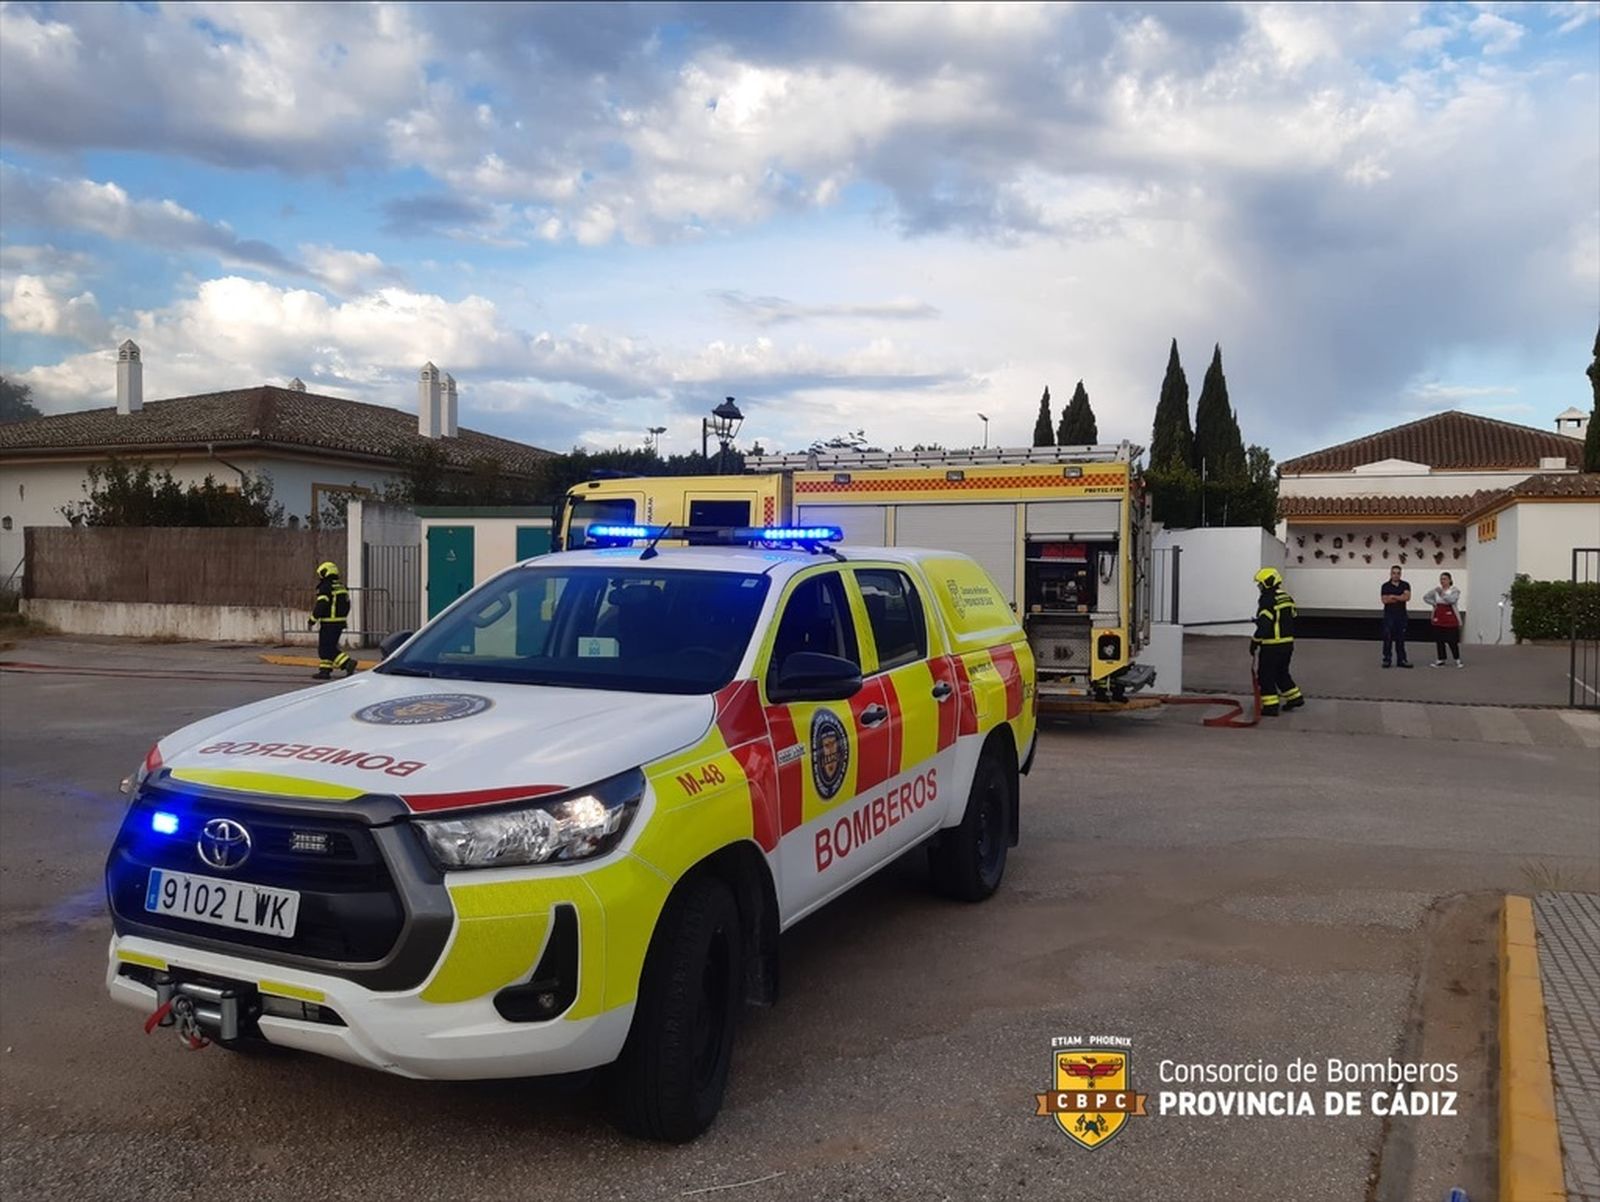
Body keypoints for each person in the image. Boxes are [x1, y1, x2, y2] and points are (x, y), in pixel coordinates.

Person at [1250, 567, 1303, 716]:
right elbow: (1291, 616)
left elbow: (1265, 624)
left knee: (1265, 675)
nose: (1259, 587)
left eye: (1260, 584)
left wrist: (1255, 641)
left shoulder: (1267, 600)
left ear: (1267, 583)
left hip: (1272, 645)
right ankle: (1295, 697)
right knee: (1281, 673)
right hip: (1287, 645)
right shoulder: (1286, 597)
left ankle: (1271, 706)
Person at [307, 561, 355, 680]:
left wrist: (312, 619)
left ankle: (347, 663)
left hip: (329, 622)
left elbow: (321, 604)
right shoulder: (341, 586)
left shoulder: (326, 587)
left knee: (325, 648)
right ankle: (325, 671)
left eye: (321, 574)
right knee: (329, 646)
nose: (320, 577)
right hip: (339, 622)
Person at [1423, 572, 1464, 668]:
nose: (1443, 581)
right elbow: (1426, 597)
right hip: (1439, 616)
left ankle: (1457, 658)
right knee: (1439, 639)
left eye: (1445, 579)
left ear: (1450, 580)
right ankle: (1441, 659)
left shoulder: (1454, 590)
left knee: (1452, 639)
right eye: (1441, 579)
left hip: (1450, 616)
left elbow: (1452, 600)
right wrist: (1434, 603)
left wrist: (1442, 594)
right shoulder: (1436, 591)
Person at [1380, 565, 1413, 669]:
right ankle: (1387, 660)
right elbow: (1385, 600)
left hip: (1401, 615)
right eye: (1394, 573)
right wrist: (1400, 597)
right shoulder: (1385, 586)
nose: (1396, 575)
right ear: (1391, 574)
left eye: (1398, 573)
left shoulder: (1405, 585)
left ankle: (1402, 660)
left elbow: (1407, 597)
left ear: (1400, 574)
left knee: (1401, 638)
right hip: (1389, 615)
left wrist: (1393, 596)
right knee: (1388, 637)